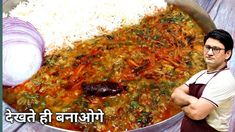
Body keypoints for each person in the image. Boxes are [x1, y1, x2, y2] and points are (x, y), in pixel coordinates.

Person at [171, 29, 235, 132]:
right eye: (207, 47)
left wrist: (182, 105)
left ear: (227, 54)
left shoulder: (225, 79)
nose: (209, 53)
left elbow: (196, 113)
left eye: (216, 49)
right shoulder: (200, 74)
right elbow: (175, 94)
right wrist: (192, 101)